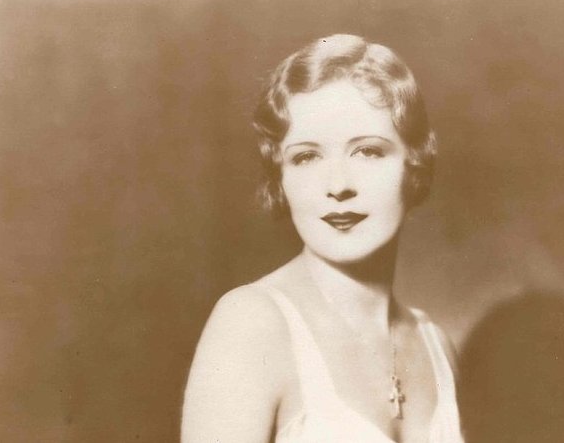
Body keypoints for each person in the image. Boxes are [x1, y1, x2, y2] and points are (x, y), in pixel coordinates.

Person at [182, 34, 463, 443]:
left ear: (414, 162)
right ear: (281, 176)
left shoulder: (435, 344)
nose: (337, 186)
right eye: (307, 156)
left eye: (367, 151)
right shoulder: (251, 325)